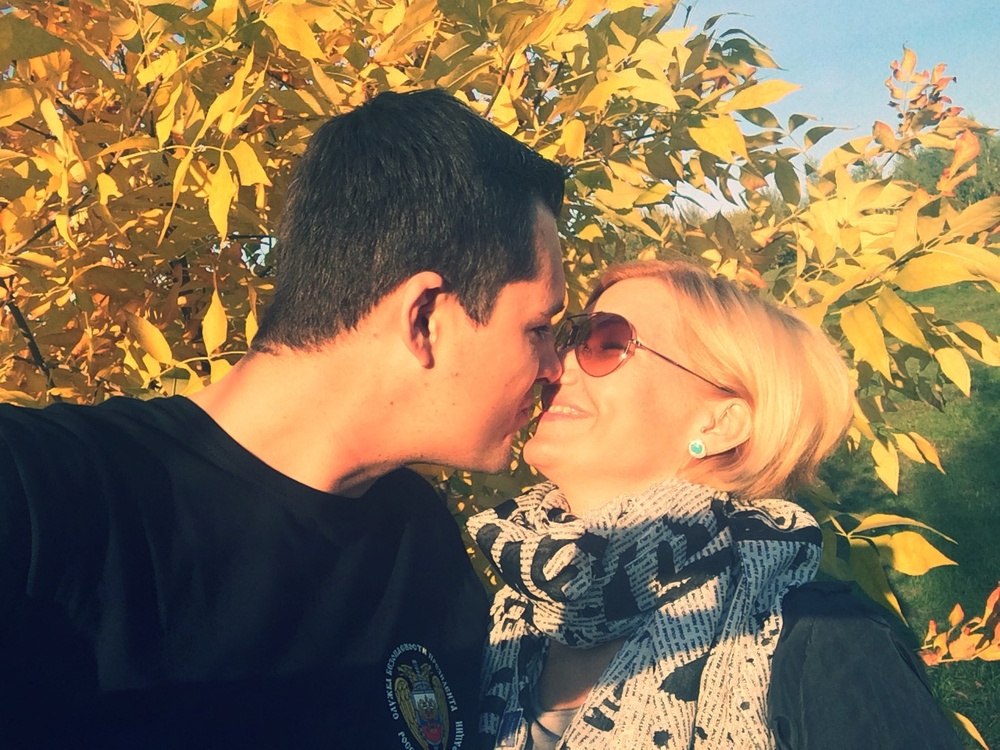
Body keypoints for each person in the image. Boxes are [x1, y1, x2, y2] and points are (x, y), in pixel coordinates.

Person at [0, 89, 567, 749]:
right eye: (538, 328)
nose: (554, 366)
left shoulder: (424, 544)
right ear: (424, 320)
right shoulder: (38, 499)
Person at [468, 259, 963, 749]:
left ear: (720, 424)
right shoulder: (500, 612)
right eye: (571, 336)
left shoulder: (829, 642)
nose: (555, 366)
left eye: (607, 342)